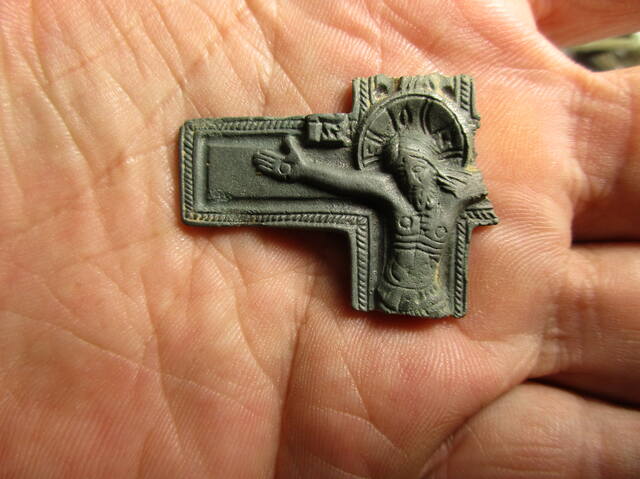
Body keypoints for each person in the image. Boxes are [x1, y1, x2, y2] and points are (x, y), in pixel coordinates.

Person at [0, 0, 638, 477]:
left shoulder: (460, 195)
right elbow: (348, 184)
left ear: (435, 166)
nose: (409, 177)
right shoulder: (388, 195)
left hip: (424, 299)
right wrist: (298, 167)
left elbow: (473, 186)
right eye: (401, 169)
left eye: (417, 168)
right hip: (397, 290)